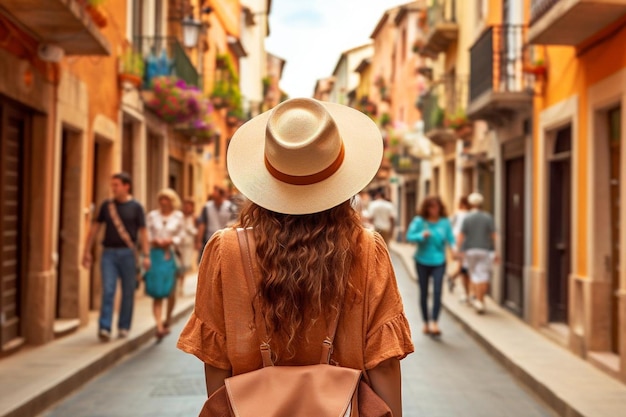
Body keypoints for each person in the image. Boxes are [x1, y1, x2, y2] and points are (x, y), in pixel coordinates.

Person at [177, 98, 414, 416]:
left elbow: (217, 365)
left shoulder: (226, 251)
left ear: (264, 179)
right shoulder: (367, 250)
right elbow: (383, 365)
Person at [82, 173, 150, 342]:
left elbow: (143, 232)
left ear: (126, 186)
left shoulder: (136, 207)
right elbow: (94, 228)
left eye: (117, 185)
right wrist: (86, 251)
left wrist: (146, 255)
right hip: (109, 254)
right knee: (109, 290)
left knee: (128, 291)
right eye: (112, 185)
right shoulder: (107, 206)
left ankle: (123, 327)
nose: (113, 188)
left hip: (128, 254)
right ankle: (104, 327)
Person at [406, 196, 456, 336]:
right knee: (423, 292)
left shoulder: (445, 222)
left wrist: (454, 249)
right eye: (431, 207)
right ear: (426, 208)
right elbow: (409, 236)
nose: (434, 210)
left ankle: (434, 322)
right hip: (422, 261)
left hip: (439, 261)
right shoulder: (419, 221)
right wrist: (422, 235)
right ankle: (426, 322)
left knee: (438, 291)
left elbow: (450, 238)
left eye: (437, 207)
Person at [145, 188, 186, 340]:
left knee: (170, 292)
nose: (163, 202)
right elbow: (146, 233)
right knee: (157, 291)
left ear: (172, 201)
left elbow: (182, 235)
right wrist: (153, 240)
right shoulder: (152, 216)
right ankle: (159, 326)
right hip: (156, 255)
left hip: (171, 255)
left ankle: (167, 319)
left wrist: (171, 240)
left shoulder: (178, 216)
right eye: (161, 199)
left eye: (166, 199)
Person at [457, 192, 499, 314]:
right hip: (484, 250)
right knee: (483, 275)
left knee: (474, 274)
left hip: (469, 250)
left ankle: (477, 299)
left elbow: (461, 236)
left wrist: (459, 251)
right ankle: (480, 300)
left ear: (471, 204)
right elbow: (494, 235)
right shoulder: (488, 217)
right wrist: (497, 251)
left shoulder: (467, 218)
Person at [196, 186, 235, 261]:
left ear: (221, 196)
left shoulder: (230, 207)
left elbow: (234, 223)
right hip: (209, 239)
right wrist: (199, 241)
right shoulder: (207, 207)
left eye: (217, 197)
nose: (215, 199)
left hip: (225, 240)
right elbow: (202, 225)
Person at [449, 196, 471, 301]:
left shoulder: (457, 214)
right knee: (464, 268)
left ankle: (452, 278)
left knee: (464, 268)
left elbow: (451, 229)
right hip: (465, 244)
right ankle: (467, 293)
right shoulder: (467, 215)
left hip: (458, 243)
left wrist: (453, 247)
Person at [178, 198, 198, 295]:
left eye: (188, 206)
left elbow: (196, 231)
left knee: (185, 265)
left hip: (188, 244)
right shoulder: (179, 216)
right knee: (178, 264)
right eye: (185, 205)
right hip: (178, 244)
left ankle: (181, 286)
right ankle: (178, 285)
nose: (186, 207)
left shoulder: (194, 217)